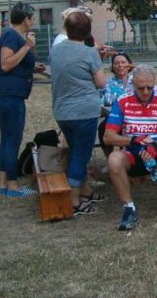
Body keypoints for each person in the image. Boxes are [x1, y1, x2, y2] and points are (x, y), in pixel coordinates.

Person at [104, 65, 157, 230]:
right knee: (114, 159)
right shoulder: (122, 101)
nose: (146, 92)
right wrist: (133, 140)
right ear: (133, 84)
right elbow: (108, 137)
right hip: (132, 153)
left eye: (150, 87)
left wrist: (155, 145)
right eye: (141, 88)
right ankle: (129, 208)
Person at [50, 11, 107, 215]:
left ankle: (85, 191)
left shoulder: (55, 50)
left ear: (66, 28)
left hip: (62, 111)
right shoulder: (89, 53)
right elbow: (101, 83)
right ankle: (74, 201)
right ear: (88, 31)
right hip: (84, 112)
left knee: (75, 151)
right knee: (81, 155)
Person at [0, 2, 45, 197]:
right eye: (32, 18)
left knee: (7, 137)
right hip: (9, 93)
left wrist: (33, 67)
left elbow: (16, 62)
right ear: (25, 19)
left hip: (9, 92)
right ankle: (13, 186)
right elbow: (6, 64)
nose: (33, 22)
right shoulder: (11, 35)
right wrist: (27, 46)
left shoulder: (15, 36)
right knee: (12, 138)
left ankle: (4, 183)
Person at [97, 52, 134, 159]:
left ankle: (127, 157)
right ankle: (110, 158)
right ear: (113, 66)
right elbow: (100, 103)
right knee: (103, 127)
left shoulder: (136, 81)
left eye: (123, 62)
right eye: (116, 63)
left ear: (129, 65)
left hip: (133, 118)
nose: (120, 65)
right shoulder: (106, 83)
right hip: (113, 118)